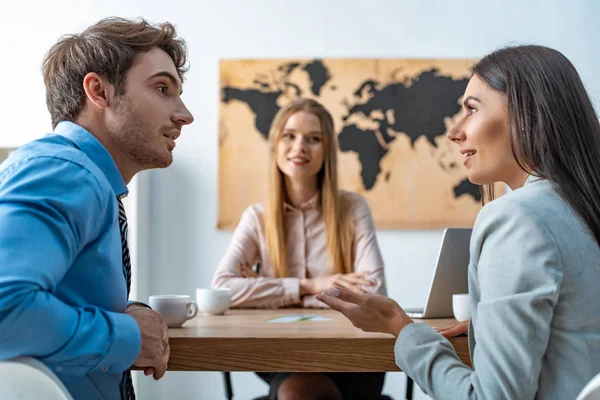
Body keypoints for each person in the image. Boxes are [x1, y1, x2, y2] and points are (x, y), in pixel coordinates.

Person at [317, 44, 600, 400]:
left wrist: (402, 329)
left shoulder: (518, 217)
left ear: (528, 114)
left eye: (471, 109)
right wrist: (491, 328)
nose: (454, 131)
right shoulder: (583, 206)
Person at [0, 17, 194, 400]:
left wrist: (120, 316)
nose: (185, 115)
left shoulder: (80, 176)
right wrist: (128, 336)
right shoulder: (64, 173)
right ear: (99, 91)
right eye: (162, 88)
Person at [213, 98, 387, 400]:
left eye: (314, 138)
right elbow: (223, 289)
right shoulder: (257, 218)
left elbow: (372, 296)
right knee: (297, 387)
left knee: (300, 393)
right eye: (289, 135)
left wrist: (270, 294)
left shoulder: (353, 208)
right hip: (285, 356)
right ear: (276, 144)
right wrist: (313, 286)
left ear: (327, 150)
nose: (300, 147)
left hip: (354, 356)